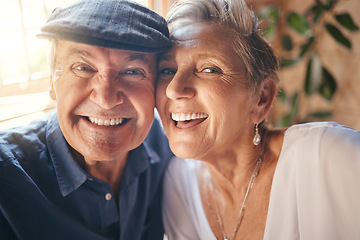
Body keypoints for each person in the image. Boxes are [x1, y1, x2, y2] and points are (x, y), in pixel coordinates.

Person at [155, 0, 360, 239]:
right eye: (167, 70)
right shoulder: (179, 182)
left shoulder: (330, 156)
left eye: (210, 69)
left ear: (261, 98)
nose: (174, 89)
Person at [0, 0, 173, 239]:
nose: (106, 99)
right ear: (52, 82)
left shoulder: (168, 147)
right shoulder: (7, 178)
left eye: (132, 71)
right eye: (83, 67)